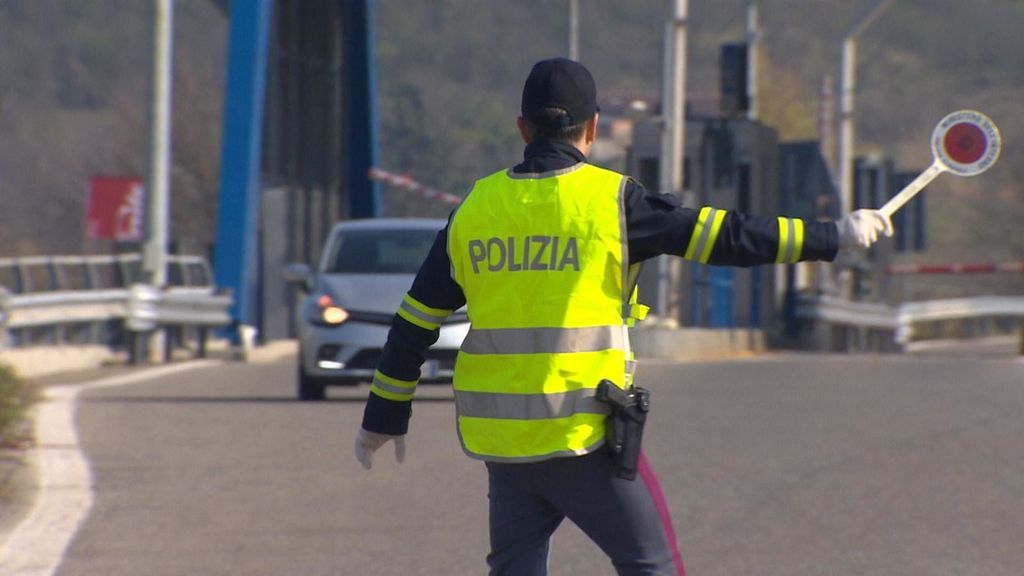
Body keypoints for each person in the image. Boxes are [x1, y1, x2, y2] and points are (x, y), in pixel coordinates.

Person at [354, 57, 892, 576]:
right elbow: (724, 236)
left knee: (515, 569)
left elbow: (414, 322)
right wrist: (830, 236)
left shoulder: (474, 209)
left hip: (504, 443)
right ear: (592, 127)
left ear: (523, 128)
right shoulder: (611, 202)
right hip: (582, 435)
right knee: (650, 564)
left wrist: (384, 415)